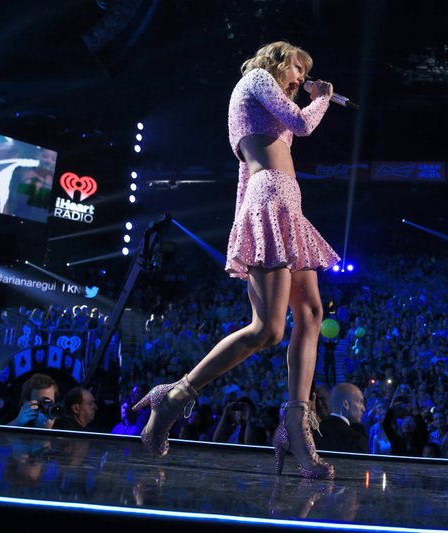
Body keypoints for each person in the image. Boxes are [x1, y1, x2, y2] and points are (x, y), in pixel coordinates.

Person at [133, 41, 339, 480]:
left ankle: (297, 426)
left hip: (286, 204)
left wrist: (308, 99)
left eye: (305, 76)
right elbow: (302, 125)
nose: (301, 80)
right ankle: (175, 396)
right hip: (271, 199)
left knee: (312, 312)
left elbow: (279, 139)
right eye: (298, 70)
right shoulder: (257, 79)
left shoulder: (267, 102)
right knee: (268, 329)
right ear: (277, 60)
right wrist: (322, 99)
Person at [313, 382, 368, 453]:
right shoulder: (357, 439)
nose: (363, 409)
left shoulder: (313, 433)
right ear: (345, 404)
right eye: (360, 402)